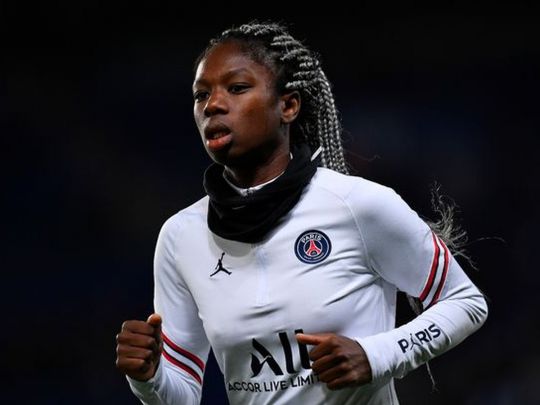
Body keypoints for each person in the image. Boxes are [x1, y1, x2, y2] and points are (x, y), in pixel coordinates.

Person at [115, 21, 488, 404]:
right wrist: (149, 378)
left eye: (237, 88)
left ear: (288, 106)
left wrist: (374, 356)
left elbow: (465, 302)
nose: (212, 105)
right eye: (201, 95)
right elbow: (182, 395)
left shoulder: (357, 205)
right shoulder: (182, 236)